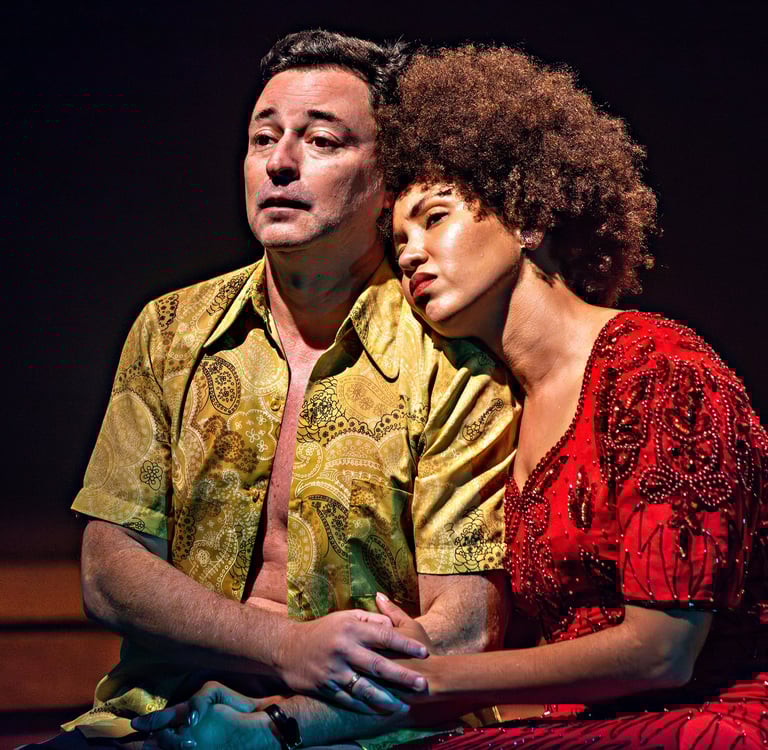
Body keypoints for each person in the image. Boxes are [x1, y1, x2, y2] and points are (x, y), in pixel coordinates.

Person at [142, 44, 768, 749]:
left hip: (713, 720)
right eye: (399, 236)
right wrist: (280, 716)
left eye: (434, 218)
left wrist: (422, 674)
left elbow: (663, 653)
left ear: (527, 216)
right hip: (590, 725)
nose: (409, 251)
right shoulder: (504, 401)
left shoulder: (658, 370)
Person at [29, 33, 521, 750]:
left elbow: (465, 627)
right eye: (263, 138)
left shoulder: (453, 361)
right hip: (161, 714)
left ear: (389, 183)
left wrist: (290, 711)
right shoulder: (170, 328)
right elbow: (108, 570)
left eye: (321, 140)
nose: (279, 162)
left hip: (367, 729)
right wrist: (284, 645)